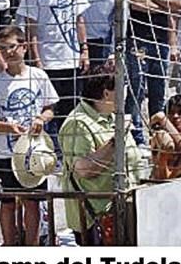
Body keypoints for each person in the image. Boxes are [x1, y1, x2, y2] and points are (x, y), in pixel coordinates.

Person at [0, 25, 58, 246]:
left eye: (12, 47)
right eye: (2, 48)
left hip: (33, 152)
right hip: (7, 153)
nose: (8, 52)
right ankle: (9, 243)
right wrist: (10, 128)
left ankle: (32, 246)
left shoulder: (38, 76)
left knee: (32, 202)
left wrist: (40, 120)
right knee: (7, 203)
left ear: (24, 47)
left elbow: (50, 108)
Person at [59, 67, 140, 246]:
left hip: (122, 210)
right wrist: (116, 140)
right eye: (122, 88)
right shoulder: (78, 124)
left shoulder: (112, 117)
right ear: (106, 93)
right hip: (96, 217)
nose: (126, 93)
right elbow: (84, 169)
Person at [127, 0, 181, 144]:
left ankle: (157, 134)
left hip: (160, 41)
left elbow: (179, 4)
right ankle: (135, 136)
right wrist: (162, 2)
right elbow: (137, 4)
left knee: (158, 90)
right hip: (138, 40)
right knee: (137, 88)